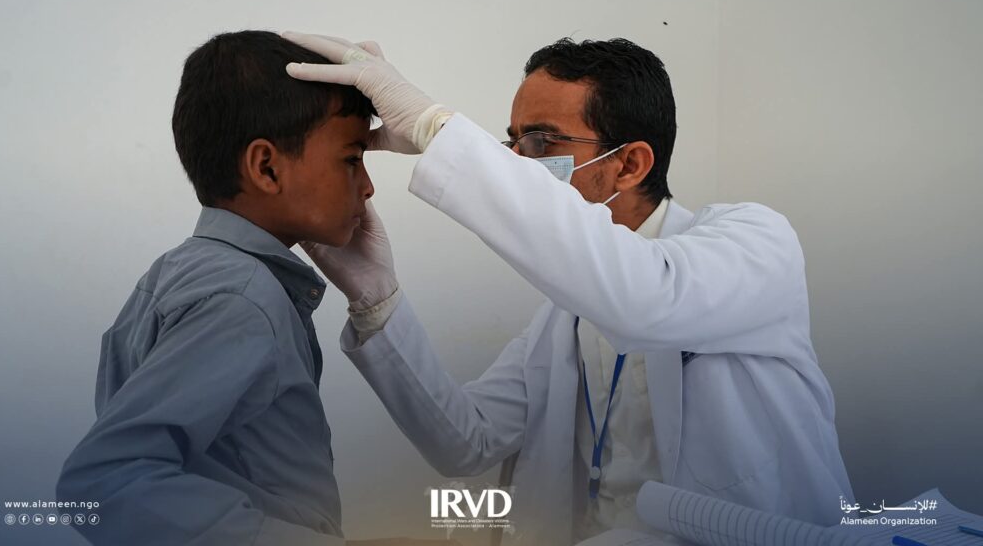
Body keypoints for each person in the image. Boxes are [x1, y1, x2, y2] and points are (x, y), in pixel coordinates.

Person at [282, 33, 854, 546]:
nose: (513, 161)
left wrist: (436, 129)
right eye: (511, 141)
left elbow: (643, 300)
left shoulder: (755, 243)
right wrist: (377, 300)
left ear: (629, 165)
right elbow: (466, 441)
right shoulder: (566, 317)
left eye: (539, 142)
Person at [55, 30, 440, 546]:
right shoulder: (240, 298)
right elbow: (106, 484)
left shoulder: (179, 271)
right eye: (352, 158)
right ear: (265, 167)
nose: (368, 186)